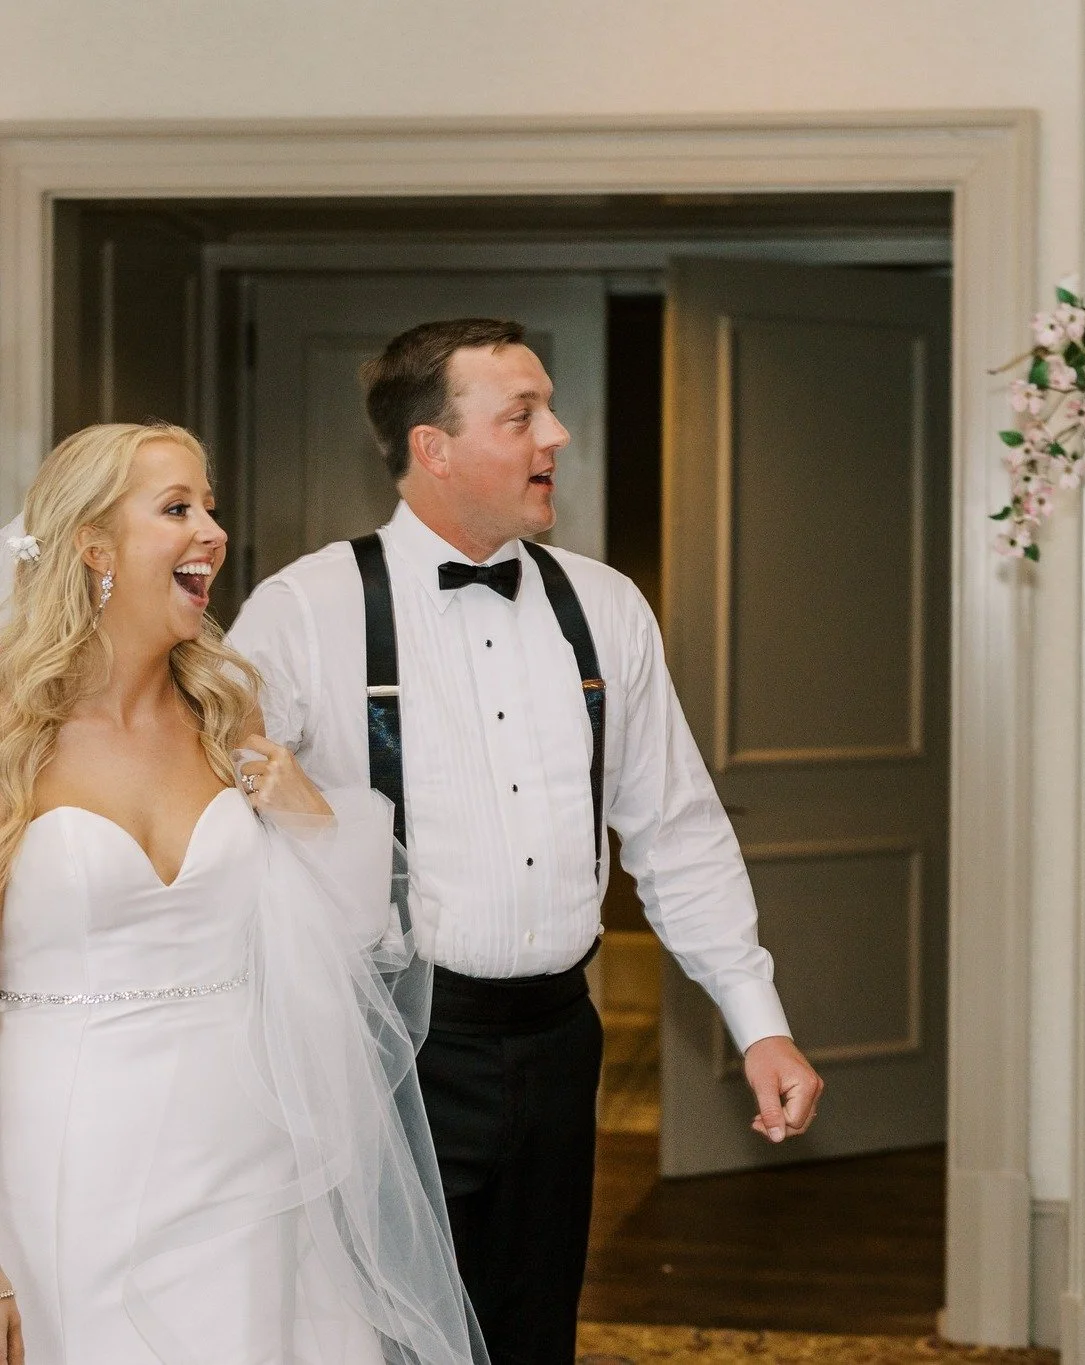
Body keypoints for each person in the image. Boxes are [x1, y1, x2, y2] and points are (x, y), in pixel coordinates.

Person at [228, 318, 823, 1365]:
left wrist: (758, 1020)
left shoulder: (607, 609)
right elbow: (221, 836)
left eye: (547, 408)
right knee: (390, 1336)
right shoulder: (305, 609)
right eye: (522, 415)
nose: (557, 434)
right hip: (390, 1051)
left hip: (558, 1040)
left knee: (535, 1329)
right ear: (434, 448)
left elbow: (676, 829)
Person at [0, 423, 486, 1365]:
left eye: (210, 506)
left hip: (251, 1149)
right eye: (178, 508)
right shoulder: (12, 733)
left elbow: (347, 947)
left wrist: (308, 815)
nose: (213, 532)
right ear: (94, 544)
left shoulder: (228, 711)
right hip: (69, 1155)